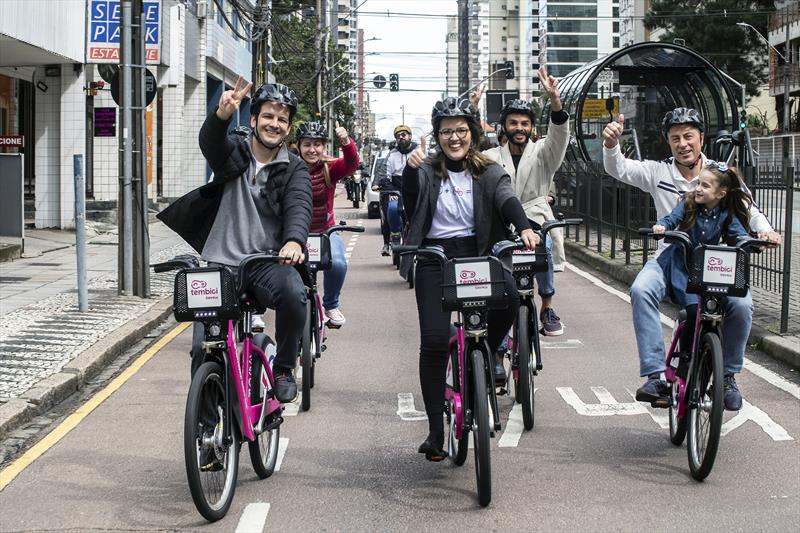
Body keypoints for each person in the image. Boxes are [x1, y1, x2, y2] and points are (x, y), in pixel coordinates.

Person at [602, 107, 781, 410]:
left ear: (701, 138)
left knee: (742, 305)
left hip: (715, 262)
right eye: (675, 138)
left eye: (688, 136)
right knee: (641, 290)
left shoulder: (720, 173)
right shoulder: (658, 172)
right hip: (670, 256)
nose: (682, 144)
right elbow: (619, 168)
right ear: (668, 142)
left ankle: (728, 376)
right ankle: (656, 375)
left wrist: (766, 232)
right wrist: (611, 143)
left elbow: (750, 210)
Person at [157, 77, 312, 404]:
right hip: (220, 265)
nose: (274, 124)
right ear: (253, 119)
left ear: (287, 128)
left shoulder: (294, 168)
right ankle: (207, 418)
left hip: (266, 263)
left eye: (282, 119)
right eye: (268, 116)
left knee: (295, 294)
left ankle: (284, 368)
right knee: (202, 346)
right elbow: (210, 142)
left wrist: (294, 242)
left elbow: (299, 206)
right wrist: (222, 115)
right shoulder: (233, 152)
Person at [401, 96, 539, 461]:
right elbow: (411, 200)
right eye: (446, 132)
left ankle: (484, 352)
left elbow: (507, 198)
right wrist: (409, 171)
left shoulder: (489, 170)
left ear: (473, 134)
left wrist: (524, 227)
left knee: (511, 296)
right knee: (433, 342)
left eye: (461, 130)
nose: (454, 138)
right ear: (437, 136)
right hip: (435, 257)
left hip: (478, 254)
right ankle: (435, 430)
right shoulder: (425, 170)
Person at [480, 65, 570, 336]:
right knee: (494, 263)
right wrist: (472, 112)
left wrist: (555, 100)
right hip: (502, 224)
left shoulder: (543, 152)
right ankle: (498, 323)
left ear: (531, 127)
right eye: (513, 123)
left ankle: (547, 307)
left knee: (543, 246)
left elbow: (559, 135)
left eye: (524, 123)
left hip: (536, 218)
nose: (519, 128)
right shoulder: (491, 156)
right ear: (504, 127)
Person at [652, 162, 752, 361]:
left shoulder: (726, 214)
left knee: (714, 308)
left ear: (721, 194)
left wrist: (753, 243)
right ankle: (685, 357)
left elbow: (740, 236)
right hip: (683, 266)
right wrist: (661, 227)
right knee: (693, 309)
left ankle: (718, 360)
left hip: (707, 269)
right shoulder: (688, 203)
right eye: (698, 183)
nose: (698, 188)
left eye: (705, 186)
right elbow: (672, 218)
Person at [295, 120, 360, 327]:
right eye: (307, 144)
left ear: (324, 146)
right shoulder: (289, 167)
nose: (312, 150)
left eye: (317, 144)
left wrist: (346, 141)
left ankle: (331, 305)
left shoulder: (329, 168)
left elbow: (352, 164)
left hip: (326, 231)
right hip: (295, 234)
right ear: (298, 146)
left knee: (338, 263)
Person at [378, 125, 417, 255]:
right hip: (395, 190)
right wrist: (389, 189)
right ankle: (390, 240)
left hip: (414, 189)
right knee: (391, 209)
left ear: (410, 136)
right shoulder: (391, 154)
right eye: (398, 136)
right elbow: (383, 175)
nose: (401, 137)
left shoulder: (418, 152)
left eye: (404, 135)